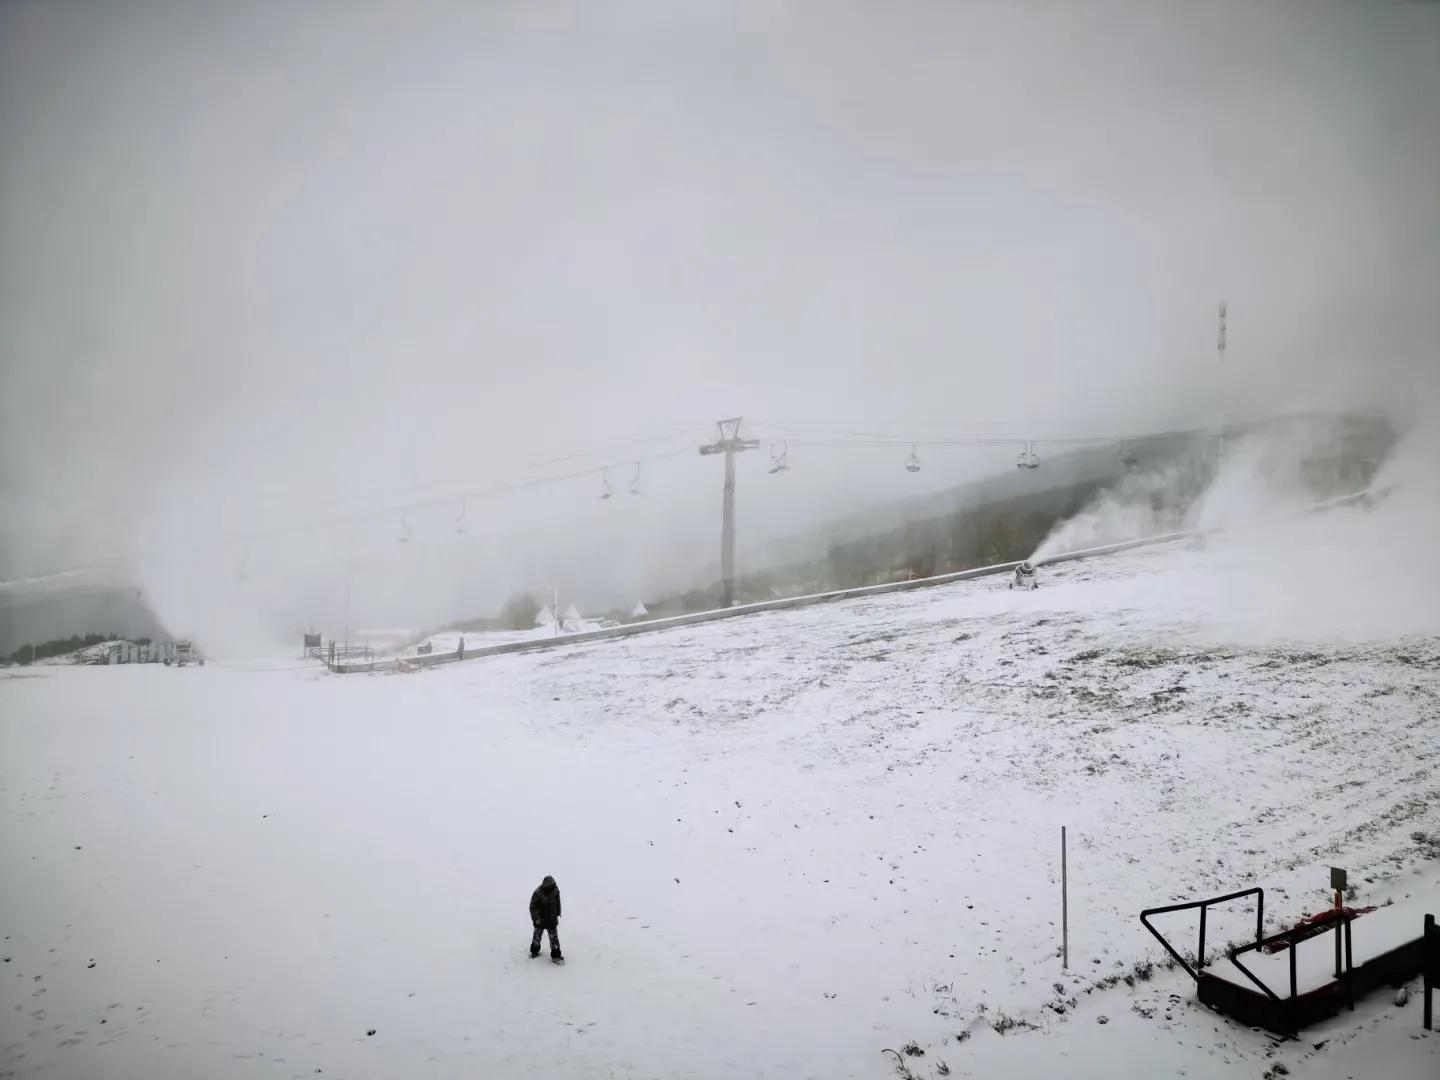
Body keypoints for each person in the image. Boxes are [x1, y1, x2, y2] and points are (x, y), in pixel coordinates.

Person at [529, 875, 563, 960]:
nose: (551, 886)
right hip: (540, 919)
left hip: (552, 919)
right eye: (550, 885)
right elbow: (532, 906)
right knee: (537, 936)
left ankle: (556, 955)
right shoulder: (538, 892)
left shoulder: (555, 890)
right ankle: (534, 951)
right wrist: (537, 918)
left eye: (552, 884)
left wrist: (558, 912)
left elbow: (557, 902)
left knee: (554, 938)